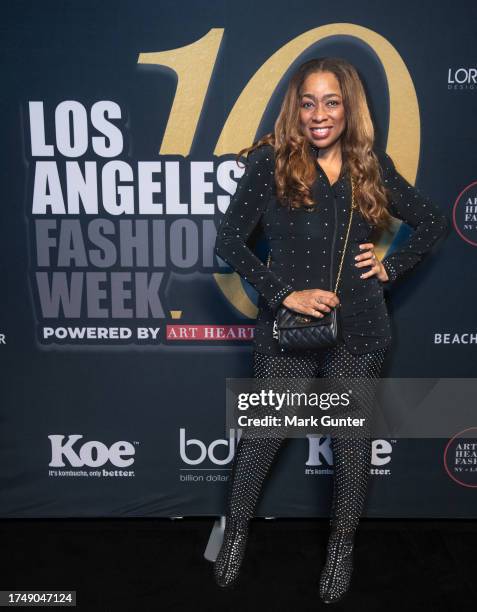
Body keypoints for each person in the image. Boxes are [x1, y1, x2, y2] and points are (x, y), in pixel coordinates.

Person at [212, 57, 449, 603]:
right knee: (262, 441)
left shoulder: (372, 166)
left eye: (332, 101)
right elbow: (228, 243)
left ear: (349, 108)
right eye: (309, 101)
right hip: (289, 332)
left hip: (361, 332)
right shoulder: (271, 161)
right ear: (296, 107)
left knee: (351, 446)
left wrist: (391, 266)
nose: (319, 113)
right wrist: (283, 293)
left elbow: (434, 221)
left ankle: (342, 548)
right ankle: (236, 532)